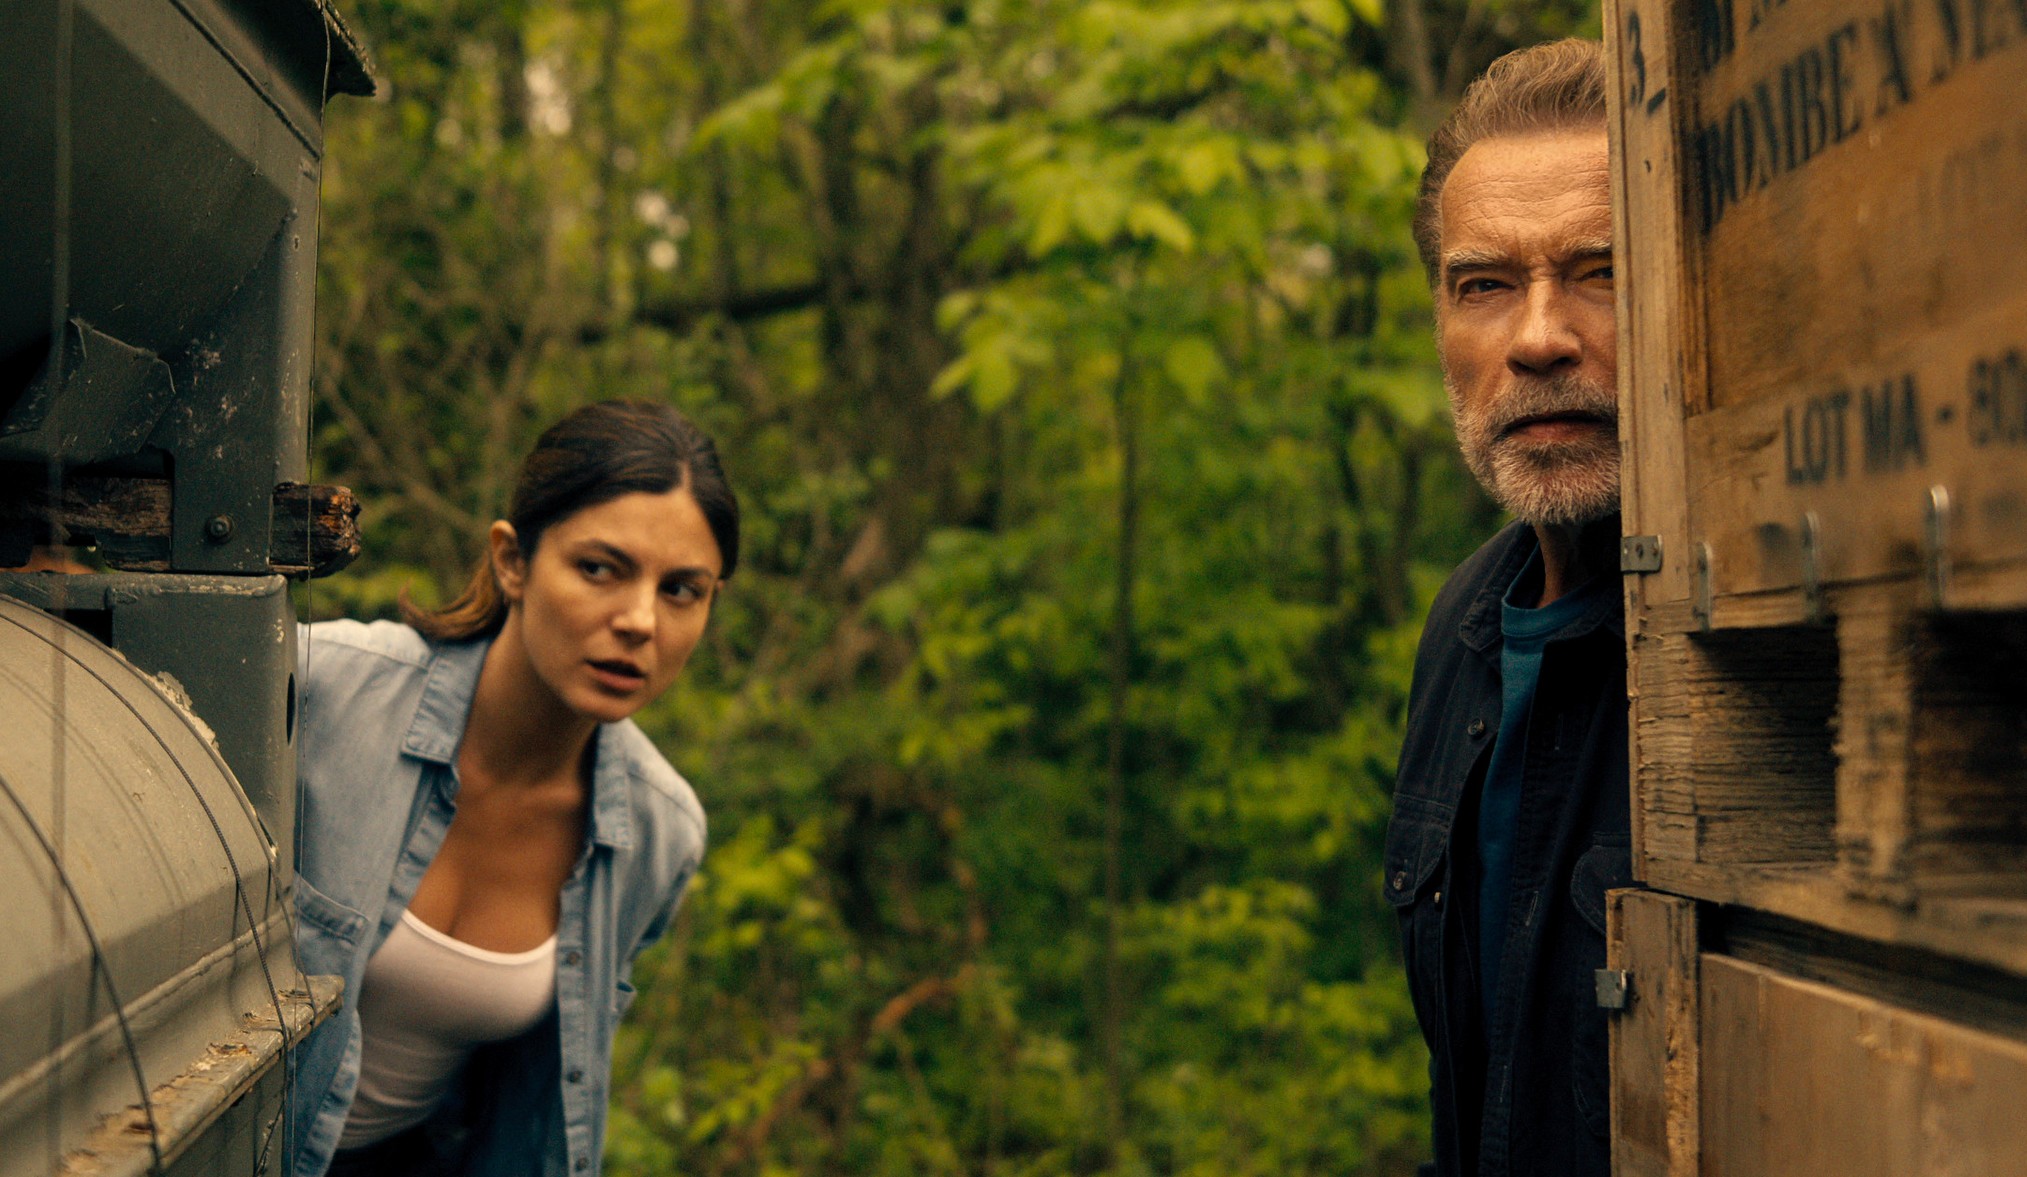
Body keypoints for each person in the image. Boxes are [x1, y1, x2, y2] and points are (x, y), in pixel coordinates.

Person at [288, 400, 738, 1177]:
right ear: (512, 561)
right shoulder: (323, 687)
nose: (640, 620)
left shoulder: (658, 833)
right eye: (599, 568)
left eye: (680, 589)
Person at [1384, 39, 1631, 1177]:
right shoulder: (1462, 629)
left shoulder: (1765, 641)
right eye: (1483, 285)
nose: (1537, 338)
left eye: (1601, 271)